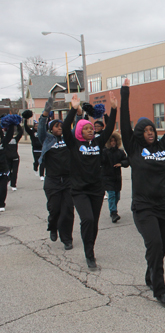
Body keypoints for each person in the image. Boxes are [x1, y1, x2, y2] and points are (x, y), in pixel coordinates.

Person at [120, 78, 165, 305]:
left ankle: (151, 274)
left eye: (152, 129)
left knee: (162, 247)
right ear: (138, 133)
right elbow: (124, 123)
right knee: (155, 244)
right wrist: (125, 92)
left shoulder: (162, 147)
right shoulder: (134, 148)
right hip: (143, 206)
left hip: (164, 205)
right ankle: (160, 289)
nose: (150, 132)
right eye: (145, 130)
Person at [63, 92, 117, 269]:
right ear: (80, 131)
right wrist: (73, 109)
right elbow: (65, 128)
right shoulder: (73, 144)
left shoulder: (97, 143)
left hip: (96, 189)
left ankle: (90, 249)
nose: (90, 130)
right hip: (79, 190)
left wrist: (114, 109)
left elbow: (109, 130)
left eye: (91, 128)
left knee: (93, 222)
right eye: (86, 128)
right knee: (87, 219)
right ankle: (89, 255)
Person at [38, 97, 75, 250]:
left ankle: (67, 238)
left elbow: (77, 126)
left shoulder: (68, 139)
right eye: (57, 126)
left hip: (68, 180)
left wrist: (77, 111)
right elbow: (41, 128)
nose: (60, 128)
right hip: (52, 180)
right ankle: (53, 227)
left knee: (67, 211)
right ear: (51, 129)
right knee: (54, 209)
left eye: (61, 126)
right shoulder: (47, 139)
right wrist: (45, 113)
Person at [102, 132, 129, 223]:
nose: (113, 143)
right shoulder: (105, 151)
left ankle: (113, 208)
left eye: (114, 141)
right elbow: (101, 161)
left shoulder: (120, 152)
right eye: (111, 141)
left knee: (117, 196)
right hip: (107, 177)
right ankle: (113, 212)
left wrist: (121, 164)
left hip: (117, 177)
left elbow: (126, 161)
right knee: (112, 195)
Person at [0, 116, 18, 211]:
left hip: (2, 170)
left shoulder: (3, 143)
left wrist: (11, 124)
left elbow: (9, 135)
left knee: (3, 188)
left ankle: (1, 204)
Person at [22, 111, 45, 181]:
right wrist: (25, 120)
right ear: (34, 126)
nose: (37, 127)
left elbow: (46, 126)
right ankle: (35, 167)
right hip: (35, 149)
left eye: (38, 126)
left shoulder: (41, 131)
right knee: (37, 161)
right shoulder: (31, 132)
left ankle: (41, 175)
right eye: (35, 126)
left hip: (42, 149)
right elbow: (26, 127)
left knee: (42, 162)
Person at [4, 122, 23, 191]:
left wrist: (17, 123)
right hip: (7, 158)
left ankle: (13, 184)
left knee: (15, 172)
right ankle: (9, 179)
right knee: (8, 172)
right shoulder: (4, 140)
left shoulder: (15, 139)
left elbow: (20, 132)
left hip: (15, 157)